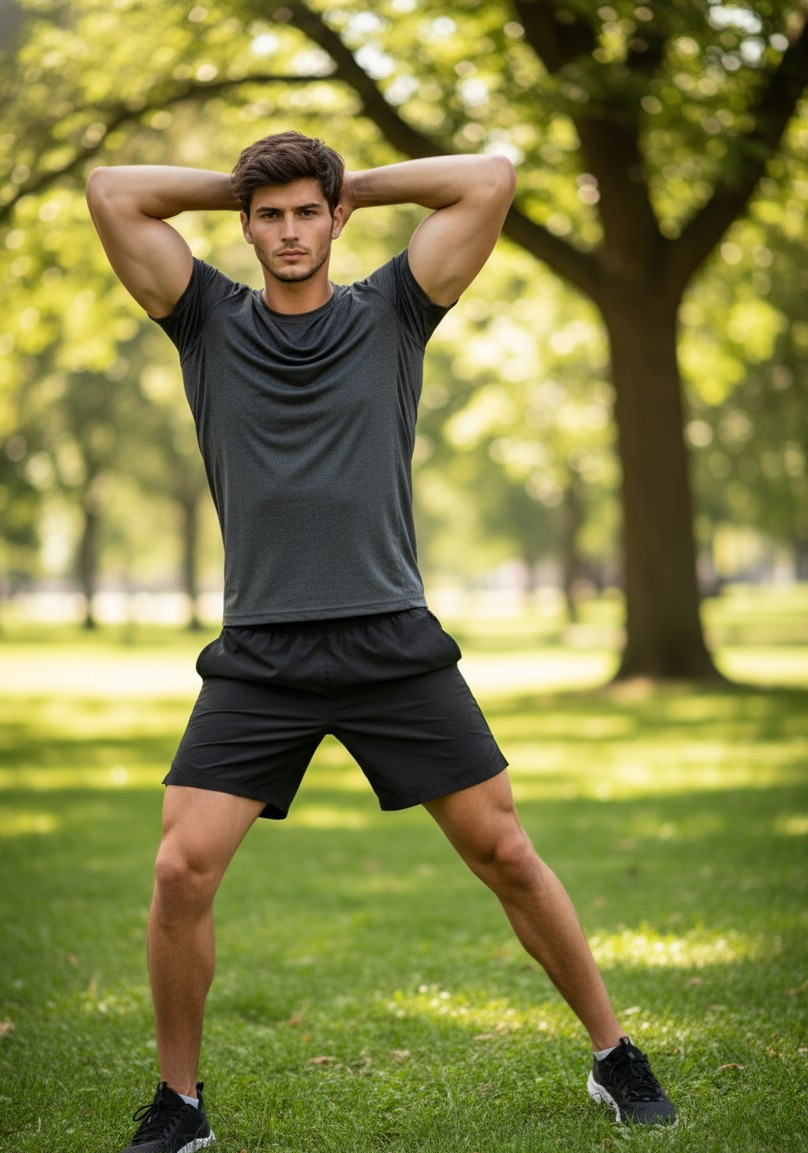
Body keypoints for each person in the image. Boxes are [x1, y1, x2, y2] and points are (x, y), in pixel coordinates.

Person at [86, 130, 676, 1152]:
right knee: (182, 869)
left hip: (390, 639)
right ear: (244, 225)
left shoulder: (392, 309)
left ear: (335, 218)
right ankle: (179, 1107)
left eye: (305, 211)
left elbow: (488, 178)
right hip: (260, 651)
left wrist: (343, 180)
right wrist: (247, 181)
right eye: (266, 215)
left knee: (505, 851)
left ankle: (613, 1054)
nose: (287, 231)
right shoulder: (205, 318)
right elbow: (113, 190)